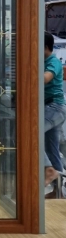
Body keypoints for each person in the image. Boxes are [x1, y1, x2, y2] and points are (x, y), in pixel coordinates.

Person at [43, 31, 66, 187]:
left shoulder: (53, 61)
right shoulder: (43, 61)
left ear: (45, 47)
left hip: (54, 107)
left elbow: (45, 78)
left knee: (32, 134)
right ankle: (57, 191)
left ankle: (48, 169)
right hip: (50, 108)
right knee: (52, 149)